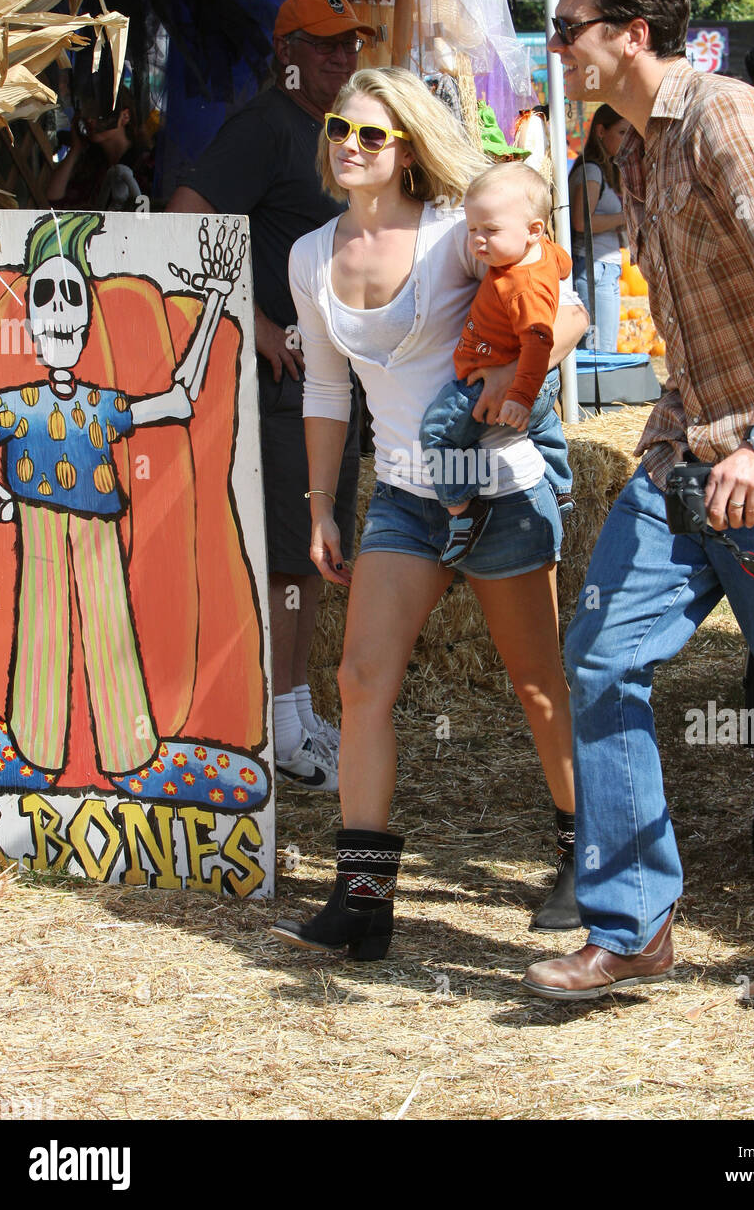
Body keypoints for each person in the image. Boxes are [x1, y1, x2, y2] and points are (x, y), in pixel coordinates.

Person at [522, 0, 754, 1009]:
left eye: (569, 26)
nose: (557, 45)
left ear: (631, 33)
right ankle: (632, 926)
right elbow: (686, 320)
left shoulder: (728, 114)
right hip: (692, 457)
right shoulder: (628, 144)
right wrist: (678, 441)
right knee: (598, 656)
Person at [268, 66, 590, 959]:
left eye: (371, 135)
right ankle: (363, 904)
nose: (349, 146)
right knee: (361, 681)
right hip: (407, 496)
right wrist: (323, 507)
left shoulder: (457, 236)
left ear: (406, 148)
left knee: (534, 682)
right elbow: (327, 392)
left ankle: (582, 855)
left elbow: (567, 314)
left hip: (496, 486)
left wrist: (507, 382)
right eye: (339, 127)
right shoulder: (309, 256)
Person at [167, 0, 374, 792]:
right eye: (324, 44)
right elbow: (184, 216)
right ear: (285, 49)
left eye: (350, 43)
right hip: (285, 384)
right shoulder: (262, 127)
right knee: (291, 559)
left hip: (327, 379)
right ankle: (281, 727)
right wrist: (255, 323)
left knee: (314, 557)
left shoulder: (328, 132)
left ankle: (294, 708)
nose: (342, 56)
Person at [419, 161, 574, 565]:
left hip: (493, 382)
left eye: (491, 230)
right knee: (544, 425)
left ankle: (462, 511)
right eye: (472, 229)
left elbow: (540, 342)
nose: (478, 241)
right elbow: (564, 263)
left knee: (437, 432)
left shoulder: (520, 287)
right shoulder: (543, 253)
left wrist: (519, 395)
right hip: (544, 384)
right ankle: (560, 489)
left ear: (533, 230)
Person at [568, 104, 628, 351]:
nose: (626, 141)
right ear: (601, 131)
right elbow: (582, 222)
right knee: (599, 352)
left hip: (604, 267)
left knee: (604, 349)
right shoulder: (591, 170)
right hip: (593, 267)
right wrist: (624, 218)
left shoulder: (604, 170)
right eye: (622, 133)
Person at [48, 88, 153, 210]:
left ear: (125, 116)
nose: (91, 119)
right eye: (88, 111)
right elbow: (53, 199)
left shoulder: (144, 164)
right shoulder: (91, 164)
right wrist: (75, 149)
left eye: (102, 113)